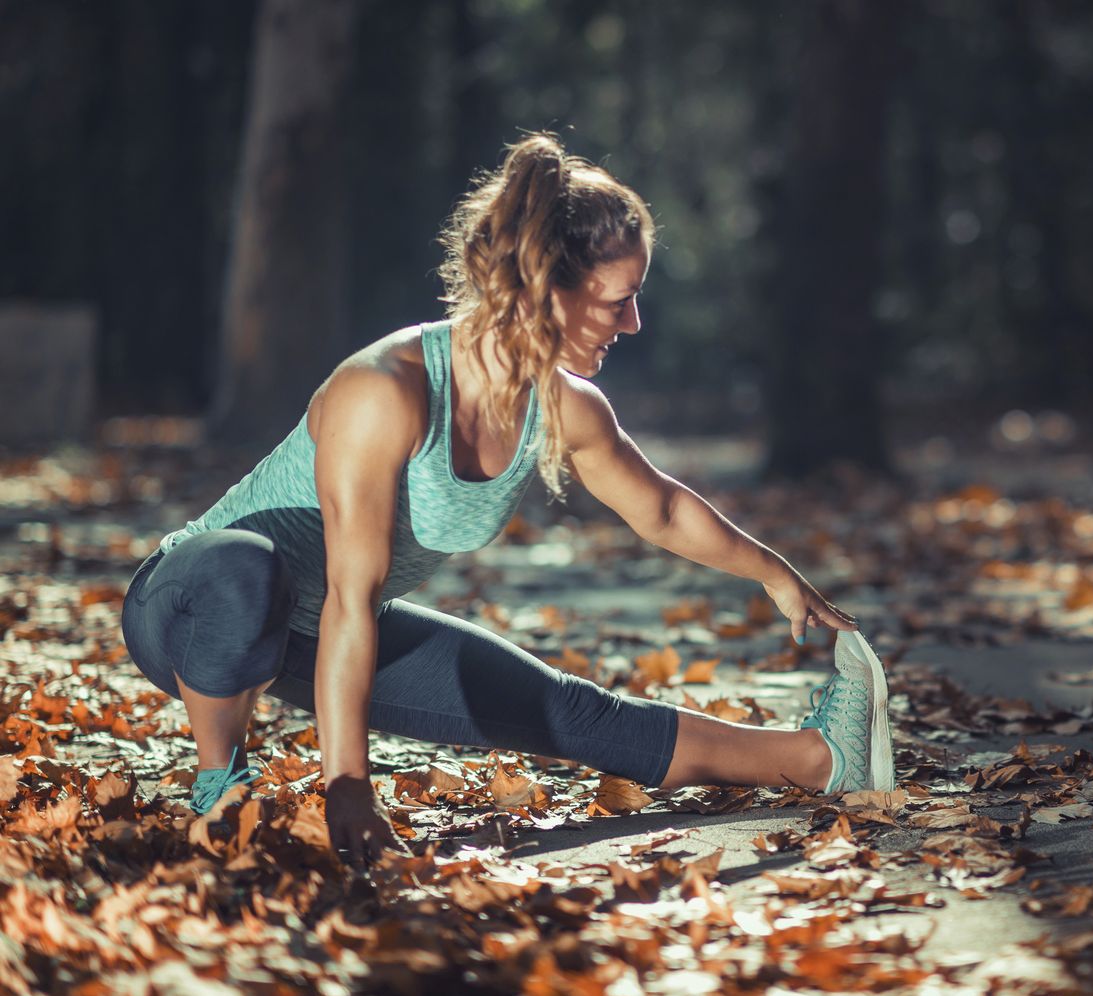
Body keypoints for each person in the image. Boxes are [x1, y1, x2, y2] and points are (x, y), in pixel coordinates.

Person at [119, 132, 892, 866]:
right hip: (189, 611)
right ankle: (221, 793)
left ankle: (817, 759)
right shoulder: (384, 390)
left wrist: (774, 573)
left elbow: (660, 509)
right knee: (248, 571)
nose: (633, 322)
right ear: (548, 290)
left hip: (318, 631)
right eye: (619, 300)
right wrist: (347, 785)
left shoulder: (564, 407)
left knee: (566, 709)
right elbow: (352, 596)